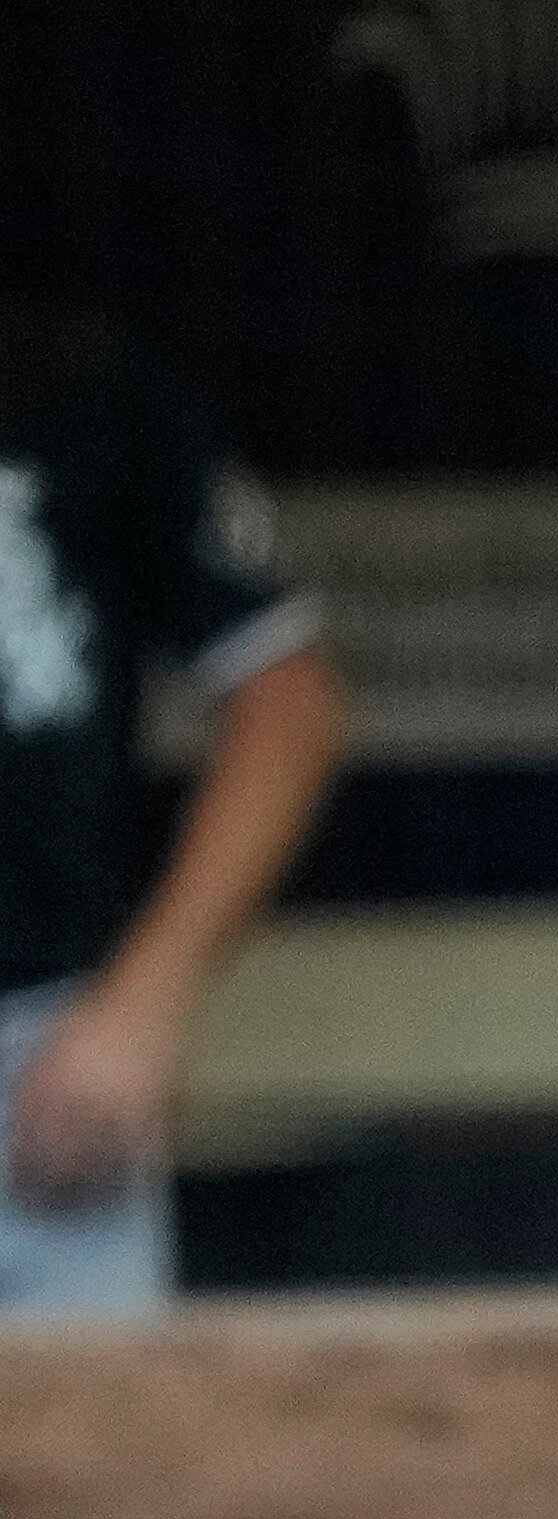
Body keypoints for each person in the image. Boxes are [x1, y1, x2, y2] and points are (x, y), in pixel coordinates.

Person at [0, 304, 347, 1319]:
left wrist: (142, 1007)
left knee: (78, 1472)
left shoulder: (69, 381)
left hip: (35, 1066)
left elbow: (290, 701)